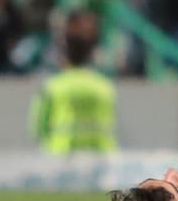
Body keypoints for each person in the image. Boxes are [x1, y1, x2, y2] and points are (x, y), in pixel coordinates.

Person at [29, 9, 118, 153]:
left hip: (60, 158)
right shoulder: (105, 86)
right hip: (101, 160)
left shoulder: (53, 86)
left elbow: (36, 128)